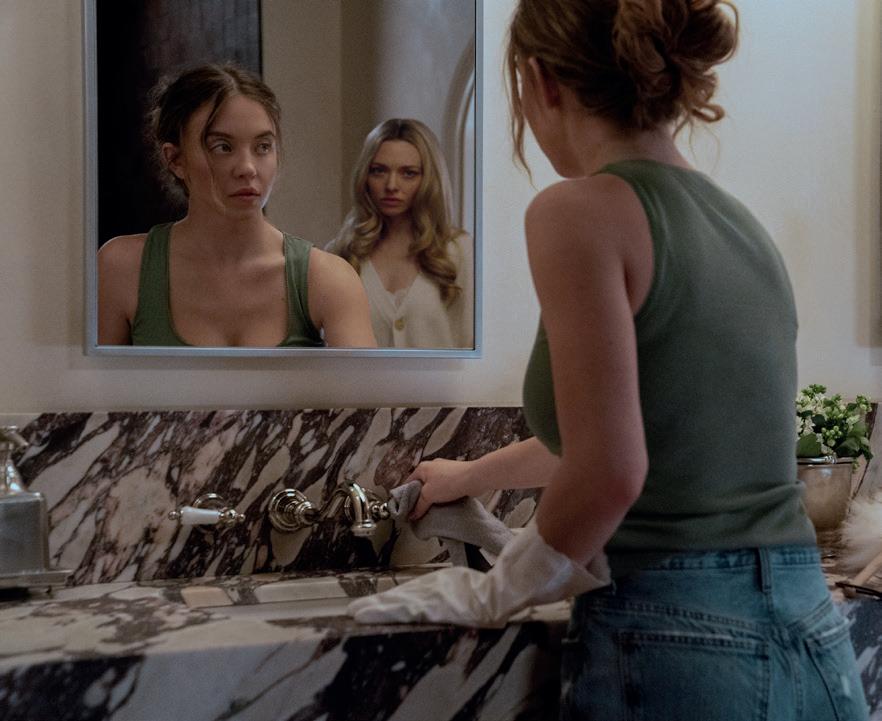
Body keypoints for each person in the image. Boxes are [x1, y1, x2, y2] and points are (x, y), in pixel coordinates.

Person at [348, 1, 870, 719]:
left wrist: (498, 589)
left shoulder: (576, 211)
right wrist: (468, 477)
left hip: (681, 635)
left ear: (540, 81)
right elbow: (639, 434)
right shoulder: (744, 228)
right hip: (812, 634)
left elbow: (610, 470)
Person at [98, 63, 376, 348]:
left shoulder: (327, 278)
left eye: (263, 147)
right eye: (222, 147)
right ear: (175, 160)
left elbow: (363, 379)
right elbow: (85, 376)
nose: (247, 168)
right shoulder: (123, 269)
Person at [329, 118, 473, 348]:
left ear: (428, 179)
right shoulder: (341, 254)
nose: (391, 185)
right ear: (365, 176)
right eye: (379, 171)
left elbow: (471, 344)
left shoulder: (459, 251)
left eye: (408, 173)